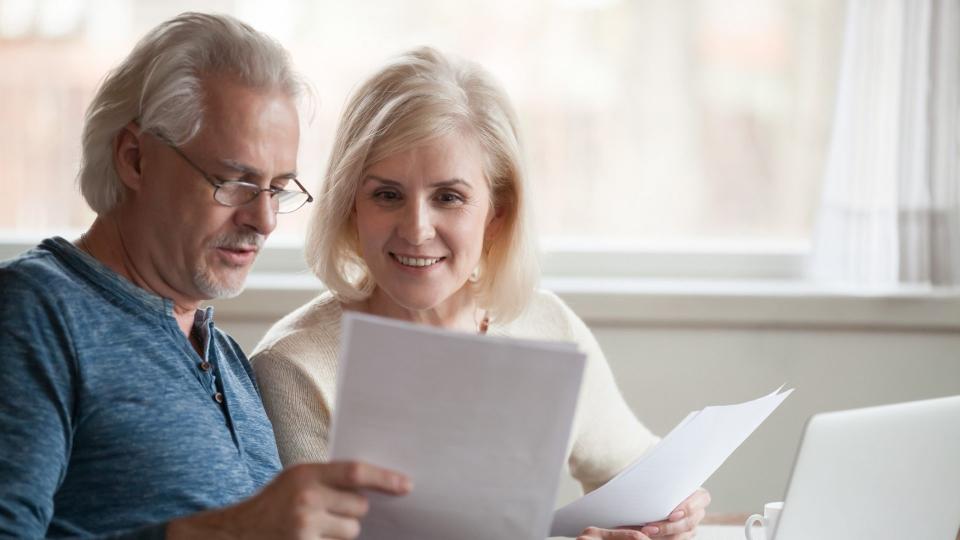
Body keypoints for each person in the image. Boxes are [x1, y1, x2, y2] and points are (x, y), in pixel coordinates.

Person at [252, 47, 710, 540]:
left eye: (448, 197)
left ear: (497, 213)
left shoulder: (547, 326)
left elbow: (633, 470)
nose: (417, 228)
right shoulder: (295, 365)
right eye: (387, 195)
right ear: (350, 206)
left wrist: (673, 508)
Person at [0, 12, 410, 539]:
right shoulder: (34, 314)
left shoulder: (230, 362)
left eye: (278, 188)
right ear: (135, 158)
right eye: (235, 181)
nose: (262, 220)